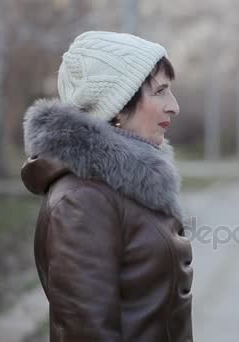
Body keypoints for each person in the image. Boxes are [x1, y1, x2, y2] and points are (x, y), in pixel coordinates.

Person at [21, 31, 193, 341]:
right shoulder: (83, 200)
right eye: (160, 91)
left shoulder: (123, 186)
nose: (174, 106)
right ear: (115, 103)